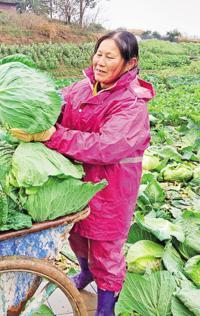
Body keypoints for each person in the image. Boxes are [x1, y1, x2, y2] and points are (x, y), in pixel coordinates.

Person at [12, 31, 154, 316]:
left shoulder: (131, 103)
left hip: (110, 189)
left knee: (105, 249)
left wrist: (52, 136)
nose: (100, 62)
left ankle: (105, 307)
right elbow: (55, 105)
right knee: (77, 235)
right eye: (98, 54)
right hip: (76, 181)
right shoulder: (81, 88)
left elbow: (106, 147)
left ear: (130, 63)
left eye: (110, 57)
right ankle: (86, 273)